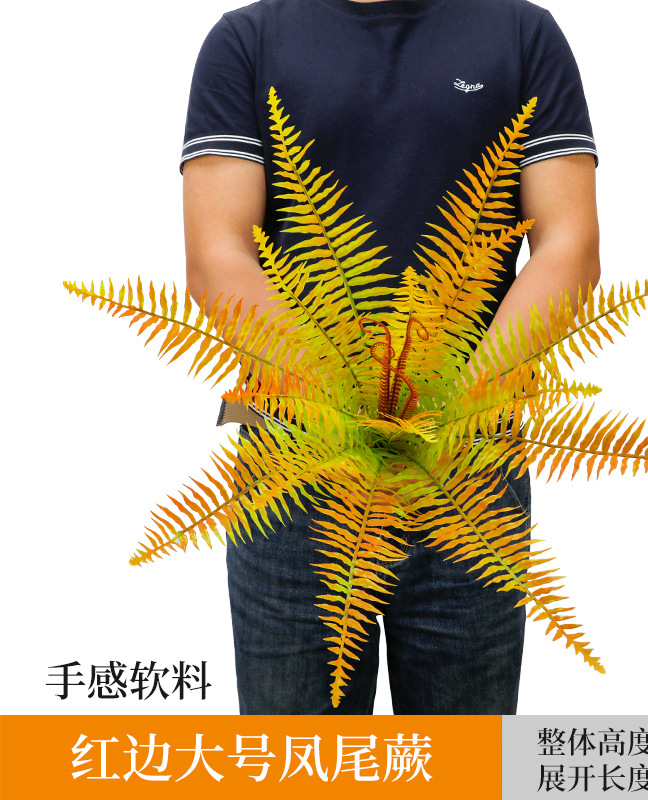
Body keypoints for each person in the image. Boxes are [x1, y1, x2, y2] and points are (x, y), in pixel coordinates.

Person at [180, 0, 600, 714]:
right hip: (298, 461)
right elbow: (218, 255)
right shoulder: (248, 39)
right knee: (301, 763)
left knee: (462, 763)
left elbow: (571, 248)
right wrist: (350, 406)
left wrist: (445, 406)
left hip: (467, 459)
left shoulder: (522, 33)